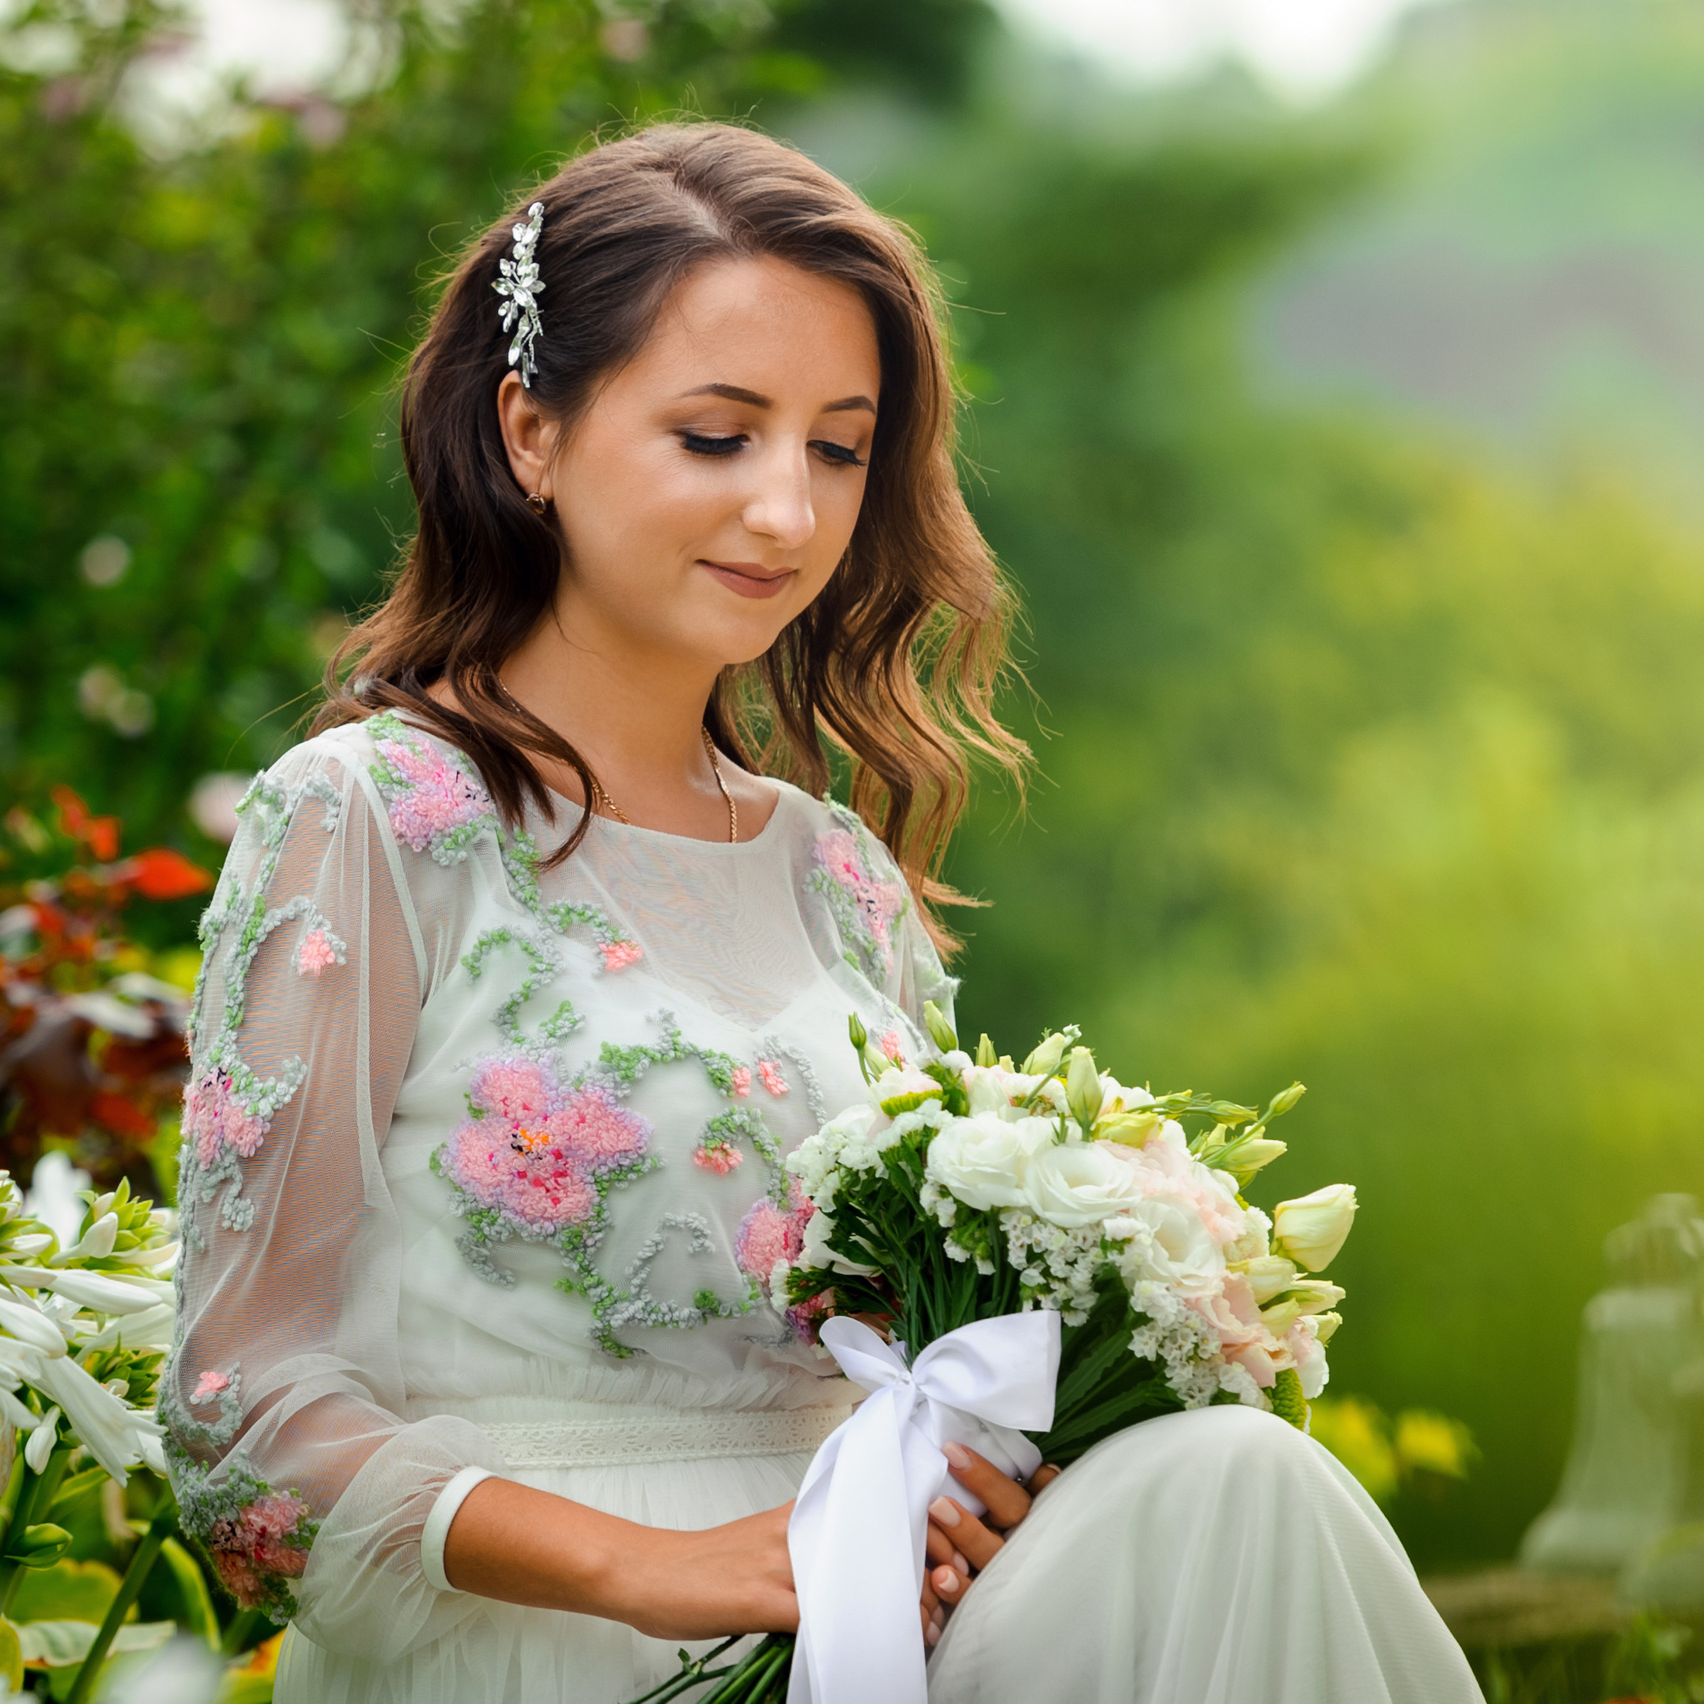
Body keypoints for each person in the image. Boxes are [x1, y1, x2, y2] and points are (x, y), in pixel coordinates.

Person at [165, 120, 1482, 1704]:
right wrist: (655, 1567)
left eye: (837, 450)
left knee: (1236, 1482)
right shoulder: (375, 818)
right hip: (544, 1645)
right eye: (719, 436)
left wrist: (984, 1479)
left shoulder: (836, 877)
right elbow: (239, 1419)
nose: (787, 513)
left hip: (862, 1620)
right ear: (530, 432)